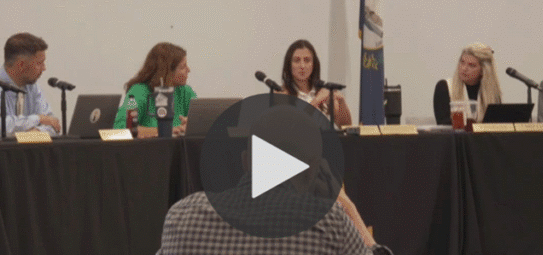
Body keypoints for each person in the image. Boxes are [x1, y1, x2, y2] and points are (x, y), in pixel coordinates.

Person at [156, 104, 389, 254]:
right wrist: (348, 206)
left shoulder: (182, 215)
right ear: (313, 171)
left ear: (246, 161)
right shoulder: (329, 222)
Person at [0, 32, 60, 138]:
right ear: (21, 65)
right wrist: (38, 119)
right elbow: (1, 129)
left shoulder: (33, 88)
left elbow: (53, 125)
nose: (44, 68)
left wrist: (31, 135)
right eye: (39, 63)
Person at [114, 42, 196, 137]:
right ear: (167, 72)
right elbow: (121, 129)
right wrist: (165, 131)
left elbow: (203, 124)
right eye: (182, 67)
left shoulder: (185, 91)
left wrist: (192, 126)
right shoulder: (139, 91)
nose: (188, 70)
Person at [280, 39, 352, 128]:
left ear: (314, 64)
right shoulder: (281, 93)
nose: (302, 66)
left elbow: (345, 126)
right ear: (289, 65)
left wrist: (341, 102)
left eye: (307, 60)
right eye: (297, 60)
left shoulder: (321, 91)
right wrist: (317, 101)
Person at [437, 42, 502, 124]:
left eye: (471, 65)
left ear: (483, 70)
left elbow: (497, 125)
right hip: (456, 136)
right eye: (462, 62)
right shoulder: (444, 87)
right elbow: (443, 125)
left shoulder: (492, 92)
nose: (464, 68)